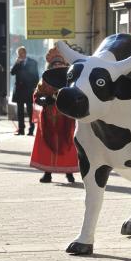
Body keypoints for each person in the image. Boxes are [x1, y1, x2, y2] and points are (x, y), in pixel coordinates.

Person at [30, 47, 79, 183]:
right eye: (55, 64)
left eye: (60, 63)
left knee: (69, 144)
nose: (58, 65)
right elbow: (37, 94)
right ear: (51, 65)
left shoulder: (71, 79)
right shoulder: (46, 79)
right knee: (47, 144)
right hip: (49, 117)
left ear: (65, 65)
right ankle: (47, 173)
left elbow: (78, 94)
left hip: (66, 117)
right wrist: (43, 100)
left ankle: (69, 173)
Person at [10, 46, 39, 136]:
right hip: (19, 89)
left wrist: (35, 87)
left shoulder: (33, 62)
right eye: (18, 54)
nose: (19, 56)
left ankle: (31, 129)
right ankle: (21, 129)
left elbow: (36, 76)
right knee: (20, 111)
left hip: (29, 89)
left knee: (30, 110)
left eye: (21, 53)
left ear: (25, 53)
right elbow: (12, 72)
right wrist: (16, 63)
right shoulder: (18, 62)